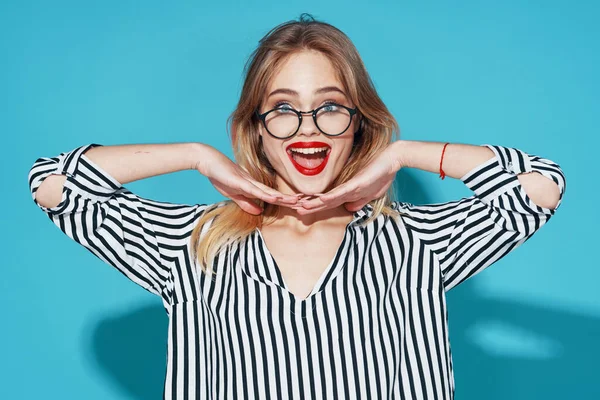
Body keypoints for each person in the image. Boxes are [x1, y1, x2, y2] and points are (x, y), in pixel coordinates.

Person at [28, 14, 565, 400]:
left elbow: (540, 186)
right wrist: (196, 156)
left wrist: (402, 153)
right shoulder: (192, 243)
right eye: (283, 109)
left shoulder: (420, 241)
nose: (307, 129)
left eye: (330, 107)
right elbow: (52, 183)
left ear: (358, 124)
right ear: (257, 131)